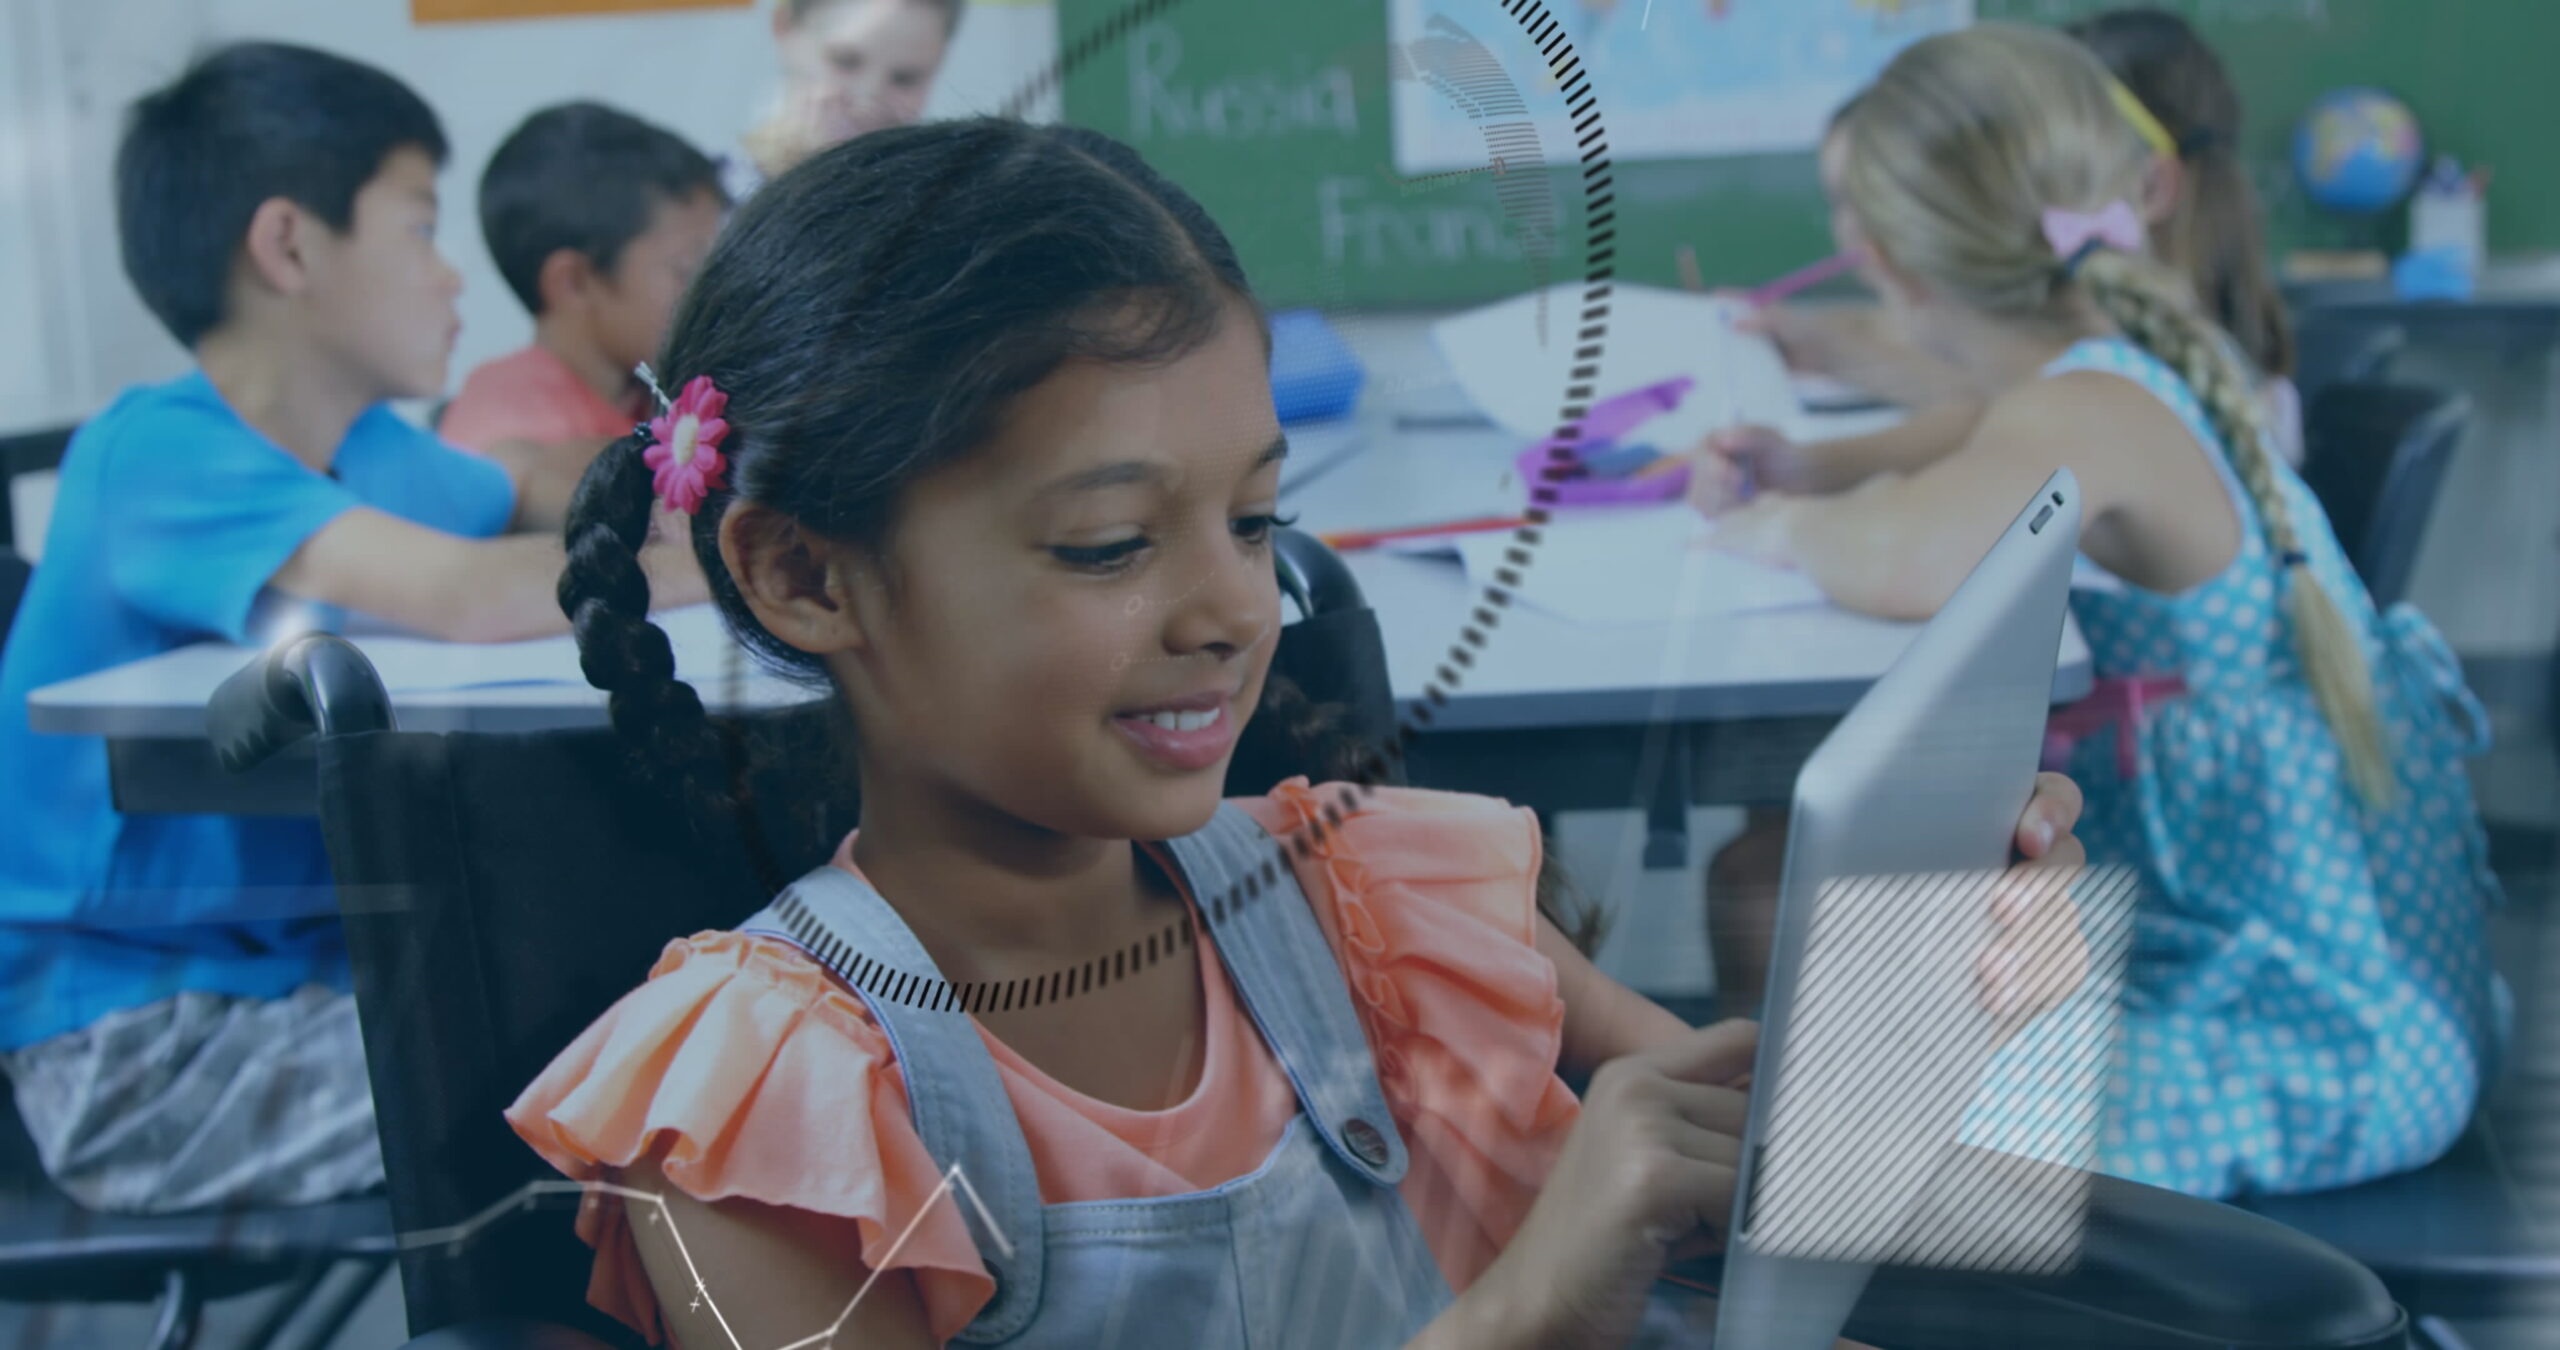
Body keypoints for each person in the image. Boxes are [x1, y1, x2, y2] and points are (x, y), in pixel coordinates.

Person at [505, 119, 2093, 1349]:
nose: (1235, 608)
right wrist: (1521, 1308)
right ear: (803, 573)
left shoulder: (1373, 902)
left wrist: (1938, 989)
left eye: (1257, 520)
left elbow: (1813, 1186)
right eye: (1110, 545)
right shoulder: (751, 1117)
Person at [1692, 24, 2501, 1200]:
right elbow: (1972, 433)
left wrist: (1776, 529)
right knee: (1799, 931)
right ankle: (1785, 1212)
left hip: (2304, 1037)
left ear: (1888, 259)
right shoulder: (2111, 369)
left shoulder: (2086, 409)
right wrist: (1809, 469)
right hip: (2333, 980)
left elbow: (1910, 554)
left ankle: (1792, 1240)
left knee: (1859, 1115)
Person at [0, 43, 700, 1214]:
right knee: (644, 1088)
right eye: (420, 231)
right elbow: (470, 590)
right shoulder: (154, 452)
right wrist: (723, 569)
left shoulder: (366, 450)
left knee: (674, 1017)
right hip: (136, 1052)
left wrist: (689, 458)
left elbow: (512, 478)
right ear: (288, 246)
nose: (452, 282)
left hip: (314, 983)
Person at [1726, 6, 2301, 476]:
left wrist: (1836, 370)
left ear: (2149, 185)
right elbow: (1990, 404)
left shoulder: (2146, 372)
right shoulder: (2120, 342)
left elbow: (1993, 407)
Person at [441, 101, 729, 474]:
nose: (712, 293)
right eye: (686, 269)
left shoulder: (649, 392)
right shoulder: (513, 430)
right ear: (574, 282)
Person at [725, 0, 963, 201]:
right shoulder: (709, 201)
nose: (869, 97)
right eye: (845, 61)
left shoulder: (947, 201)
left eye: (905, 78)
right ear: (785, 29)